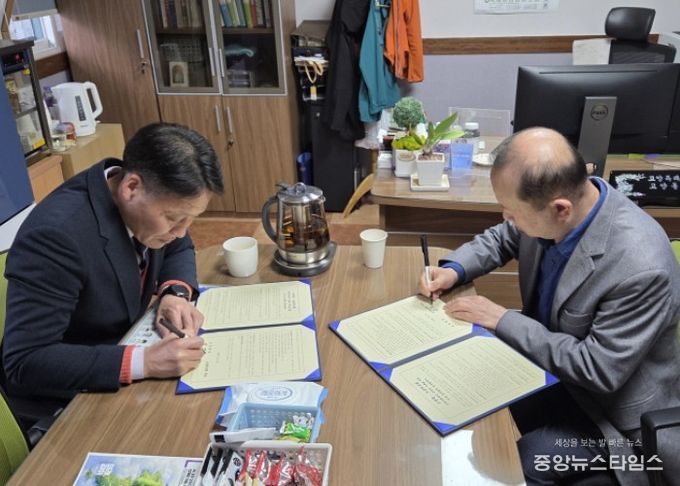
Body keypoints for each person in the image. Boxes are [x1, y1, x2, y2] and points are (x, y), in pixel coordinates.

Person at [420, 127, 680, 485]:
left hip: (614, 419)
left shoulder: (641, 267)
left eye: (512, 212)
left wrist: (502, 319)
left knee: (517, 463)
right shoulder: (559, 209)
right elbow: (504, 237)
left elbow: (597, 369)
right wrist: (455, 270)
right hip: (553, 372)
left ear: (560, 209)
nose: (507, 218)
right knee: (464, 395)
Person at [3, 123, 224, 413]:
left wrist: (175, 294)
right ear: (131, 187)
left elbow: (178, 246)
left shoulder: (147, 202)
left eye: (190, 219)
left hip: (124, 346)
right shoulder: (56, 236)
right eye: (173, 218)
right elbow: (26, 360)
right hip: (67, 400)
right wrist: (144, 362)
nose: (182, 231)